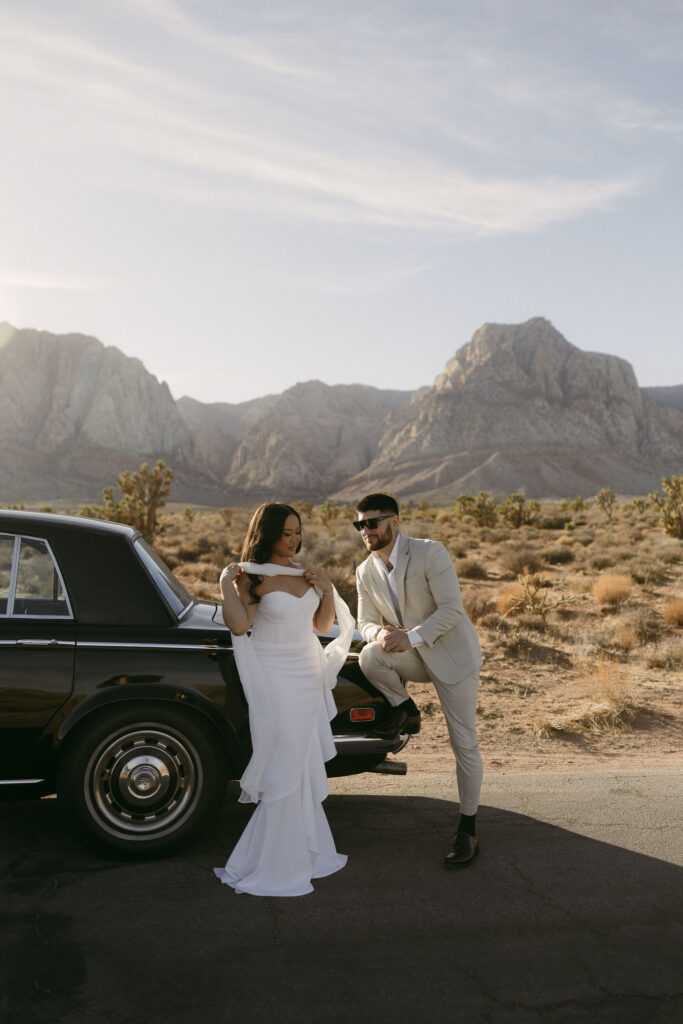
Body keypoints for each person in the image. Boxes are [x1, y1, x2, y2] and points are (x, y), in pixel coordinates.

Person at [214, 502, 354, 896]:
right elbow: (241, 626)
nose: (294, 541)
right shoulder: (251, 576)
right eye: (286, 533)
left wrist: (324, 587)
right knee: (286, 758)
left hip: (307, 674)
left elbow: (323, 626)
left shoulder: (303, 572)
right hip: (274, 676)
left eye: (298, 533)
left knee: (301, 760)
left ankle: (305, 853)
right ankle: (275, 863)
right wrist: (227, 584)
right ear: (269, 533)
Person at [353, 493, 483, 868]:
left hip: (453, 657)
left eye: (372, 523)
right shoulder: (365, 571)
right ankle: (405, 708)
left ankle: (468, 828)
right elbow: (363, 622)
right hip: (415, 656)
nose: (366, 531)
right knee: (369, 655)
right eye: (360, 524)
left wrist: (408, 636)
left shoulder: (430, 553)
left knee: (464, 744)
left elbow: (452, 609)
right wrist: (380, 634)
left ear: (394, 523)